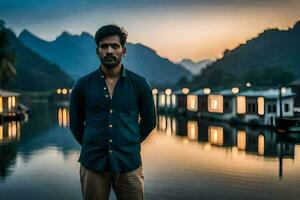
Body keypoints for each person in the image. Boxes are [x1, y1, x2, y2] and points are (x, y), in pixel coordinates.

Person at [69, 24, 156, 200]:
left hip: (129, 164)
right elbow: (75, 125)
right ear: (97, 51)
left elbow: (149, 122)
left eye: (114, 46)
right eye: (104, 46)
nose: (109, 50)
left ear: (123, 51)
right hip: (93, 165)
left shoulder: (139, 84)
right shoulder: (82, 85)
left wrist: (128, 142)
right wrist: (91, 144)